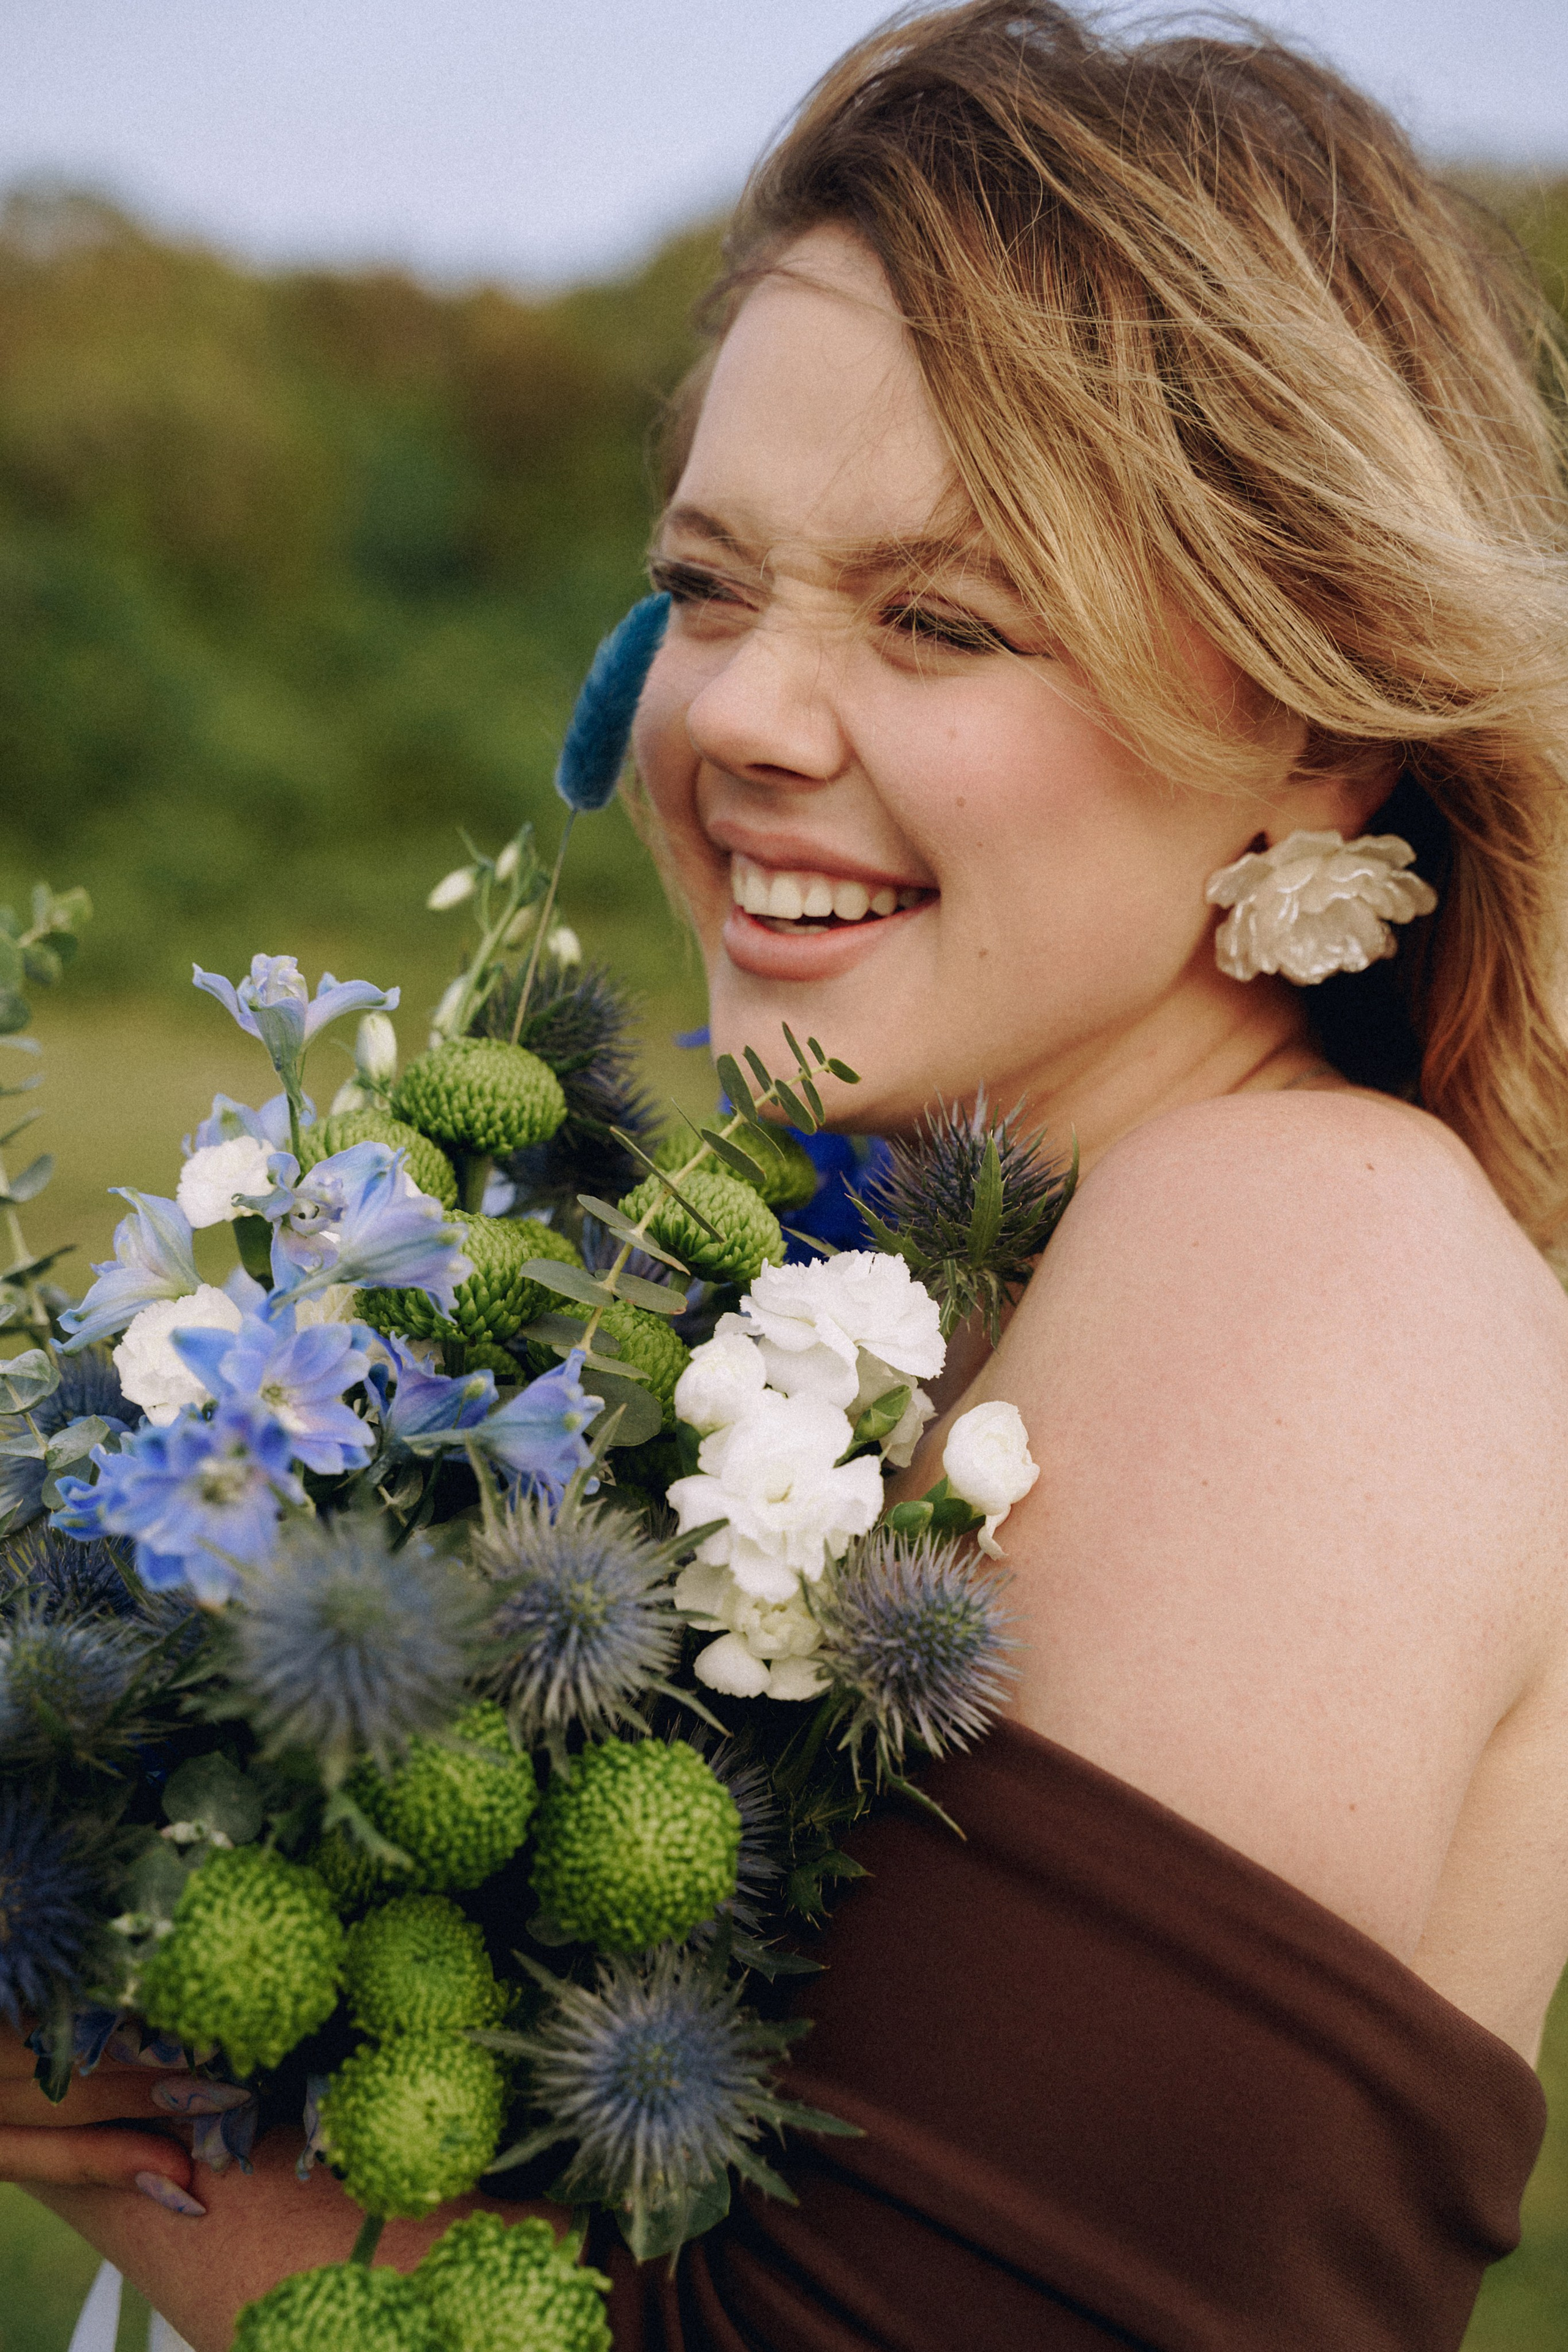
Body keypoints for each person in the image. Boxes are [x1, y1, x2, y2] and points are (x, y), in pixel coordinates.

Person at [9, 5, 1568, 2344]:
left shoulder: (1308, 1251)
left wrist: (100, 2106)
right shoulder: (920, 1265)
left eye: (937, 617)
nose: (736, 711)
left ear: (1318, 731)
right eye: (713, 583)